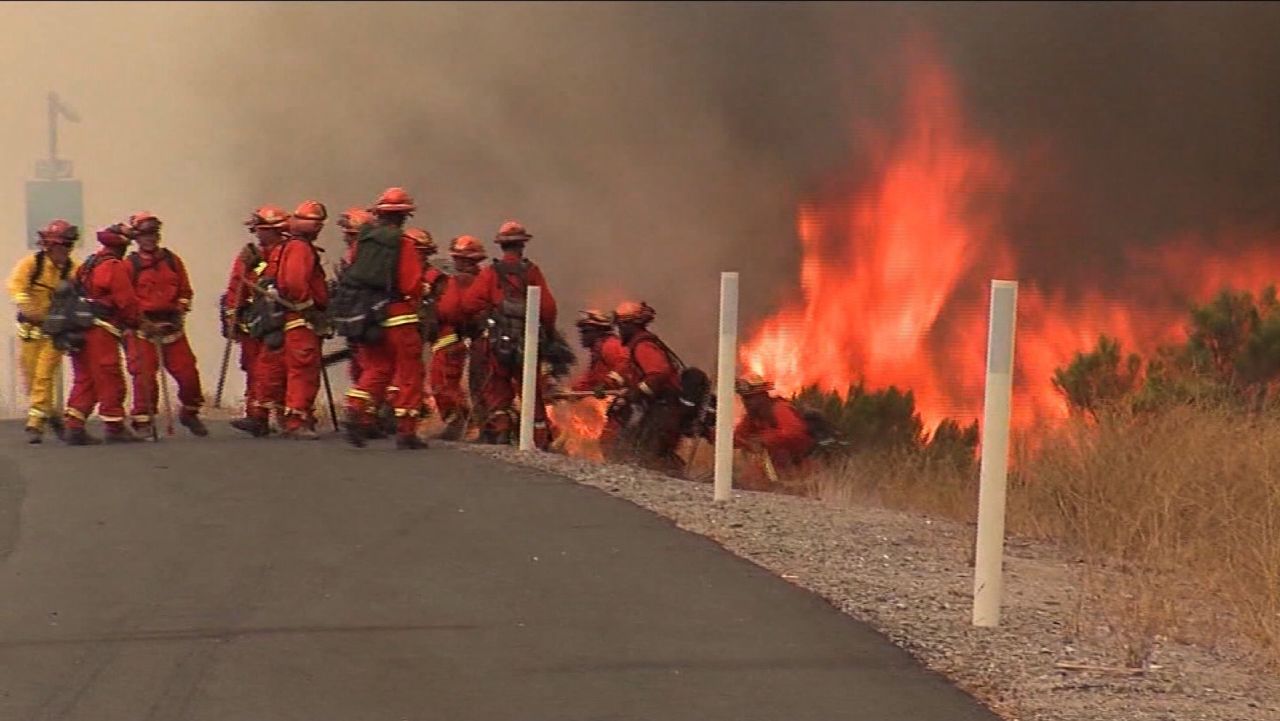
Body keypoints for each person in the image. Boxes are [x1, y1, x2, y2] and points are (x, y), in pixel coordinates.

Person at [341, 187, 426, 449]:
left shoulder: (362, 243)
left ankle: (356, 408)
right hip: (400, 317)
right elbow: (410, 283)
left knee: (376, 368)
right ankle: (406, 431)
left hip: (368, 316)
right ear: (404, 217)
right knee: (409, 372)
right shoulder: (404, 244)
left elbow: (353, 274)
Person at [460, 220, 558, 448]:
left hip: (498, 342)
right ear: (522, 245)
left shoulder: (490, 273)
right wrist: (549, 335)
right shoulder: (532, 272)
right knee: (531, 392)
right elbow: (548, 308)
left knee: (498, 389)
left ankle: (502, 434)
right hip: (528, 341)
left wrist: (487, 314)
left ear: (501, 246)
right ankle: (541, 441)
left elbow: (468, 303)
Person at [122, 211, 207, 437]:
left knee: (188, 374)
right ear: (136, 238)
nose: (150, 238)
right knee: (144, 377)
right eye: (145, 234)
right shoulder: (129, 266)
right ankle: (143, 421)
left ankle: (190, 412)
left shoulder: (172, 260)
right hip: (143, 330)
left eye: (153, 234)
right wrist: (141, 321)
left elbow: (185, 291)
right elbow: (125, 299)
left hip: (172, 328)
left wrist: (181, 308)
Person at [61, 226, 141, 445]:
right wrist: (138, 321)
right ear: (121, 245)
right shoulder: (113, 266)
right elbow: (125, 300)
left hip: (79, 328)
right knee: (109, 375)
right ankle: (114, 425)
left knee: (86, 378)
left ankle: (74, 425)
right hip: (101, 329)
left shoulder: (88, 263)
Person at [7, 219, 80, 443]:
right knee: (30, 379)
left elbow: (79, 297)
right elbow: (16, 288)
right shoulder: (31, 264)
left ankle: (34, 424)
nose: (64, 251)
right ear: (48, 245)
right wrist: (30, 311)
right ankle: (51, 414)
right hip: (30, 331)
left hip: (55, 334)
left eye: (67, 246)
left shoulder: (73, 269)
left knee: (44, 375)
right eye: (59, 246)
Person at [266, 200, 331, 439]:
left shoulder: (292, 246)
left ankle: (294, 417)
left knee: (298, 369)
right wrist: (310, 310)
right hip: (302, 320)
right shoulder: (300, 248)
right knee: (303, 369)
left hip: (298, 319)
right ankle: (297, 420)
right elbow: (294, 282)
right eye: (317, 224)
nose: (319, 229)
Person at [229, 205, 291, 437]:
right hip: (254, 322)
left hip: (279, 321)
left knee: (278, 370)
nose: (257, 234)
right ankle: (257, 416)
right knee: (254, 368)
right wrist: (231, 317)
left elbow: (284, 283)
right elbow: (236, 285)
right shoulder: (250, 255)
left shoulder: (288, 253)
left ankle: (286, 416)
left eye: (261, 229)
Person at [610, 300, 685, 473]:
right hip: (657, 405)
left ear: (630, 325)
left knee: (650, 448)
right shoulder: (637, 345)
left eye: (621, 326)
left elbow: (658, 373)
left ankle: (673, 479)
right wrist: (609, 382)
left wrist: (637, 392)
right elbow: (629, 370)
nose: (619, 330)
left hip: (665, 406)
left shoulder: (643, 345)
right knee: (639, 442)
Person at [431, 235, 487, 440]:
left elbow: (452, 309)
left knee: (442, 382)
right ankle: (463, 421)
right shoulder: (478, 279)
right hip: (456, 337)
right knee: (448, 383)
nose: (456, 262)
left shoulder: (463, 280)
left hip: (453, 338)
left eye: (459, 258)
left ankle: (459, 422)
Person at [732, 374, 816, 474]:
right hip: (777, 468)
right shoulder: (753, 416)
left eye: (751, 397)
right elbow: (738, 437)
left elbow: (794, 433)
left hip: (801, 464)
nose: (746, 402)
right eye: (744, 398)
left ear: (762, 396)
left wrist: (764, 440)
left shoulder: (780, 409)